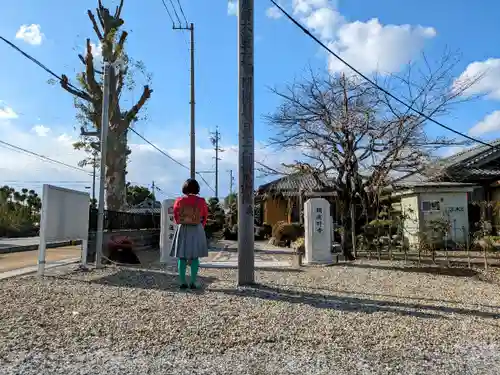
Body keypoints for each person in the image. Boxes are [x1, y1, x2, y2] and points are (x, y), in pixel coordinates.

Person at [170, 178, 209, 289]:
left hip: (183, 228)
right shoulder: (201, 201)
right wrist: (201, 225)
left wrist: (182, 222)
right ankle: (192, 282)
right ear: (197, 188)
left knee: (182, 256)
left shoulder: (179, 200)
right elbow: (205, 216)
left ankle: (182, 282)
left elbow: (176, 217)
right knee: (195, 257)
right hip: (197, 228)